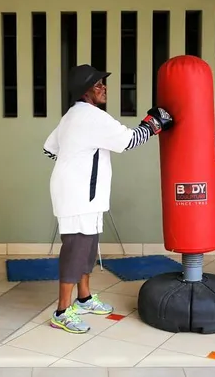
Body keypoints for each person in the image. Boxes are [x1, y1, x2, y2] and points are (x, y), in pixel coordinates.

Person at [42, 64, 174, 333]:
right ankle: (61, 312)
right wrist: (154, 124)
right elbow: (128, 141)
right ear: (84, 91)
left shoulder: (72, 116)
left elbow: (49, 149)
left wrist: (74, 159)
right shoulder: (91, 117)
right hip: (78, 194)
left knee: (88, 247)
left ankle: (84, 298)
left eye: (104, 83)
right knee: (76, 249)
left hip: (85, 193)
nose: (104, 88)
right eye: (98, 85)